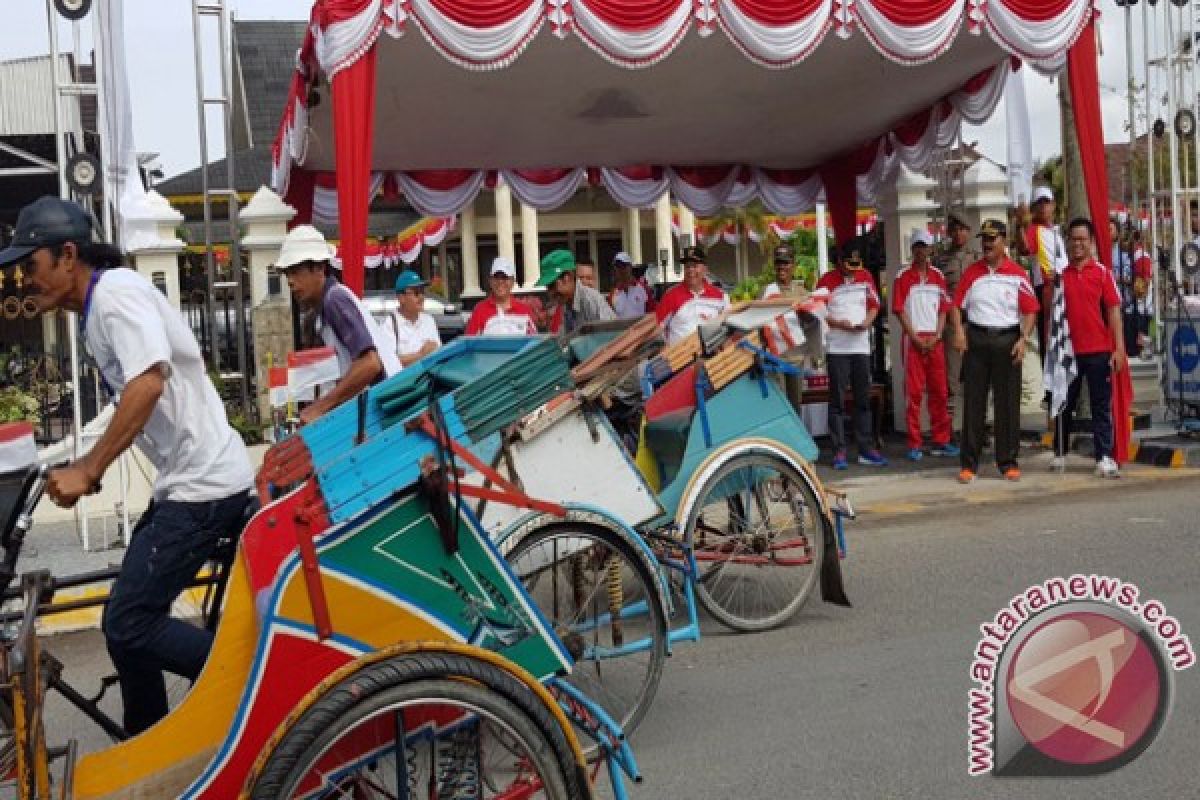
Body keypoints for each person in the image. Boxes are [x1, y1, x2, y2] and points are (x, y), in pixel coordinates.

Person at [1, 196, 254, 735]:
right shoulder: (97, 313)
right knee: (129, 621)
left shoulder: (116, 294)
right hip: (188, 484)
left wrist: (91, 469)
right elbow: (131, 398)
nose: (26, 279)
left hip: (204, 487)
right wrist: (77, 457)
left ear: (67, 255)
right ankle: (151, 744)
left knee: (128, 623)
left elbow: (148, 382)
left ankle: (255, 685)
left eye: (32, 264)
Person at [280, 226, 401, 424]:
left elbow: (370, 364)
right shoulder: (322, 310)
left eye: (295, 272)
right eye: (287, 274)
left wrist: (320, 408)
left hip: (388, 411)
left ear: (319, 268)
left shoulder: (334, 299)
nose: (290, 282)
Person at [950, 219, 1039, 484]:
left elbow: (1031, 309)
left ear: (1004, 241)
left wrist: (1024, 338)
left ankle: (1008, 461)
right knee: (974, 403)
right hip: (977, 340)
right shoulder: (972, 273)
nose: (987, 244)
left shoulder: (1017, 274)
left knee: (1007, 404)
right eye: (985, 239)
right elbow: (955, 305)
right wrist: (958, 331)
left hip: (1007, 339)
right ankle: (969, 464)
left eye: (993, 239)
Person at [1050, 219, 1127, 479]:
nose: (1077, 244)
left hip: (1099, 351)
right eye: (1073, 239)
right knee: (1064, 403)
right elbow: (1053, 315)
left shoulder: (1103, 273)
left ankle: (1103, 456)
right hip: (1069, 353)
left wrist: (1119, 348)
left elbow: (1114, 311)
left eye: (1083, 239)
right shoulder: (1061, 276)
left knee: (1100, 406)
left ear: (1092, 242)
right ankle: (1059, 452)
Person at [816, 245, 887, 469]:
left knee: (862, 399)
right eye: (849, 267)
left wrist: (867, 321)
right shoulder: (826, 280)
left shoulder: (865, 277)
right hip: (837, 347)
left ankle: (865, 448)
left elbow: (875, 304)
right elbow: (818, 310)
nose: (853, 272)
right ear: (839, 261)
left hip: (860, 346)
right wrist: (838, 323)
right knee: (837, 401)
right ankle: (839, 451)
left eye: (856, 267)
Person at [892, 230, 957, 461]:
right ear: (912, 249)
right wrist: (916, 338)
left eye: (925, 246)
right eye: (917, 246)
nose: (921, 250)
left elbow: (944, 309)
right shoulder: (902, 277)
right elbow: (899, 311)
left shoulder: (938, 276)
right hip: (913, 340)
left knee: (939, 391)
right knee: (914, 393)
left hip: (935, 340)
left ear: (930, 249)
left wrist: (939, 334)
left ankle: (941, 440)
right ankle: (914, 443)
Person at [935, 214, 979, 428]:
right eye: (955, 229)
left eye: (963, 229)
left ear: (969, 232)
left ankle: (979, 425)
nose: (959, 234)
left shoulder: (978, 258)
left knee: (977, 376)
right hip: (953, 325)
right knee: (952, 378)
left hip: (977, 322)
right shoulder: (941, 260)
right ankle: (953, 427)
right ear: (949, 232)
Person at [1017, 187, 1067, 364]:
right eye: (1039, 203)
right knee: (1050, 335)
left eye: (1047, 202)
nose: (1043, 207)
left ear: (1053, 205)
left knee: (1063, 335)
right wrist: (1021, 226)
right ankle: (1050, 381)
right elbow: (1024, 249)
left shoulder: (1055, 231)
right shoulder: (1033, 229)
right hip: (1047, 287)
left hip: (1063, 286)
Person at [656, 245, 729, 345]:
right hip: (679, 357)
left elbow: (727, 326)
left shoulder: (720, 296)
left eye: (694, 266)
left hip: (712, 357)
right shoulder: (671, 296)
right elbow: (658, 329)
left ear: (705, 269)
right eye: (687, 266)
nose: (690, 270)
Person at [539, 249, 616, 334]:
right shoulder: (565, 304)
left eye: (551, 286)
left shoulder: (591, 300)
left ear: (567, 277)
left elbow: (612, 337)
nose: (550, 293)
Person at [465, 257, 539, 336]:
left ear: (512, 281)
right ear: (490, 281)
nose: (500, 281)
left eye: (505, 277)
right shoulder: (479, 310)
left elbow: (533, 342)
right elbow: (470, 342)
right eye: (496, 277)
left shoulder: (524, 310)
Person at [390, 270, 441, 367]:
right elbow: (388, 363)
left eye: (422, 292)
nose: (421, 297)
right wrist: (420, 355)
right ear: (401, 298)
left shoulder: (429, 320)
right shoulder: (389, 325)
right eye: (416, 293)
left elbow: (438, 352)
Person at [610, 251, 655, 318]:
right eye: (618, 266)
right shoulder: (613, 294)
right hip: (622, 328)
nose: (621, 269)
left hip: (640, 328)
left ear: (630, 267)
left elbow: (652, 313)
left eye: (624, 266)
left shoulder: (644, 289)